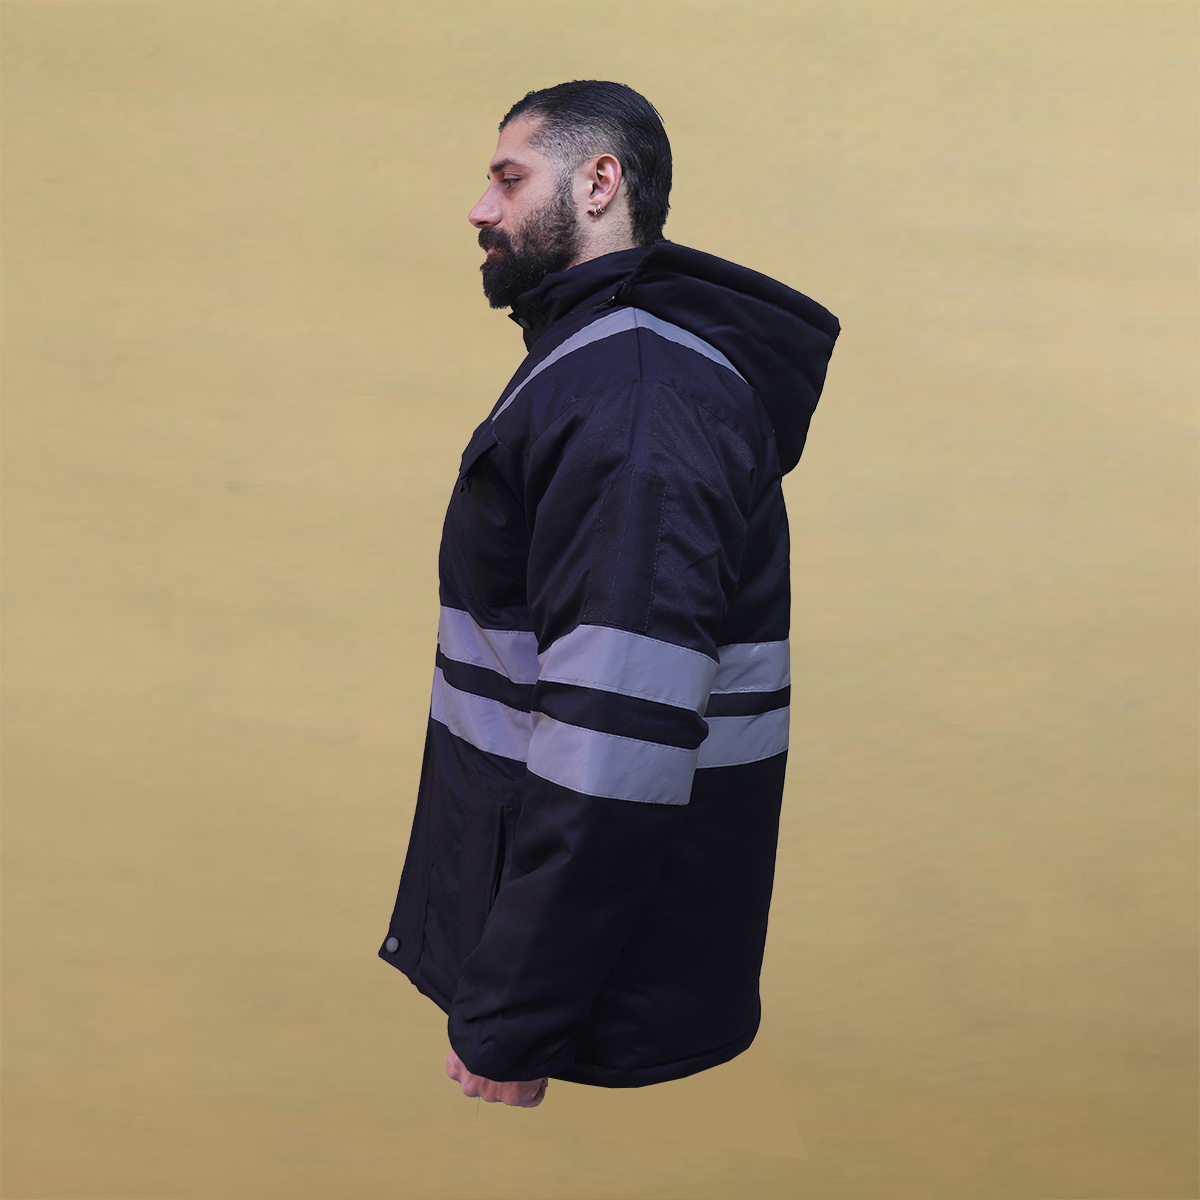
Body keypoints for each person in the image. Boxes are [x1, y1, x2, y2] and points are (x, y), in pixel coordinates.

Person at [377, 80, 840, 1108]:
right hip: (598, 955)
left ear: (598, 184)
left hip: (606, 984)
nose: (480, 208)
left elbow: (614, 737)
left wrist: (514, 1016)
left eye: (508, 178)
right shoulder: (604, 367)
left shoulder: (633, 395)